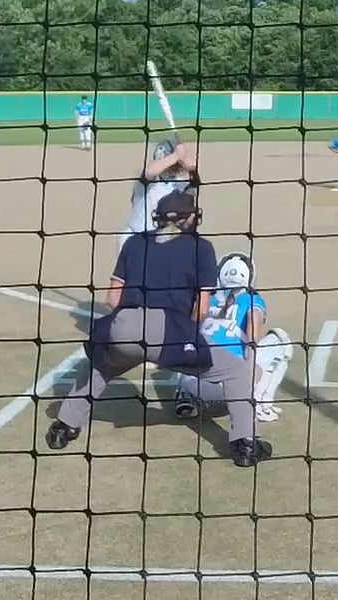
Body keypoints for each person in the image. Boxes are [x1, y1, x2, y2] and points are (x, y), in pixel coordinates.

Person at [45, 190, 273, 468]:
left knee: (101, 365)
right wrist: (185, 337)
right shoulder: (201, 248)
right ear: (191, 218)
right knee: (236, 370)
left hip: (125, 325)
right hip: (170, 332)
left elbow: (112, 299)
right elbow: (201, 309)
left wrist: (131, 328)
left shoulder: (134, 243)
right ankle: (245, 445)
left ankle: (63, 427)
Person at [172, 252, 295, 424]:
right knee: (279, 339)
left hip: (193, 381)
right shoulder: (252, 299)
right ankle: (259, 404)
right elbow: (252, 336)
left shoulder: (208, 298)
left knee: (188, 343)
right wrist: (250, 371)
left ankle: (186, 396)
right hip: (227, 386)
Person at [118, 139, 198, 248]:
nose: (177, 168)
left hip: (162, 241)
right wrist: (176, 156)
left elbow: (194, 186)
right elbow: (149, 173)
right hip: (136, 239)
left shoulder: (178, 183)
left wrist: (191, 168)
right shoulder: (149, 180)